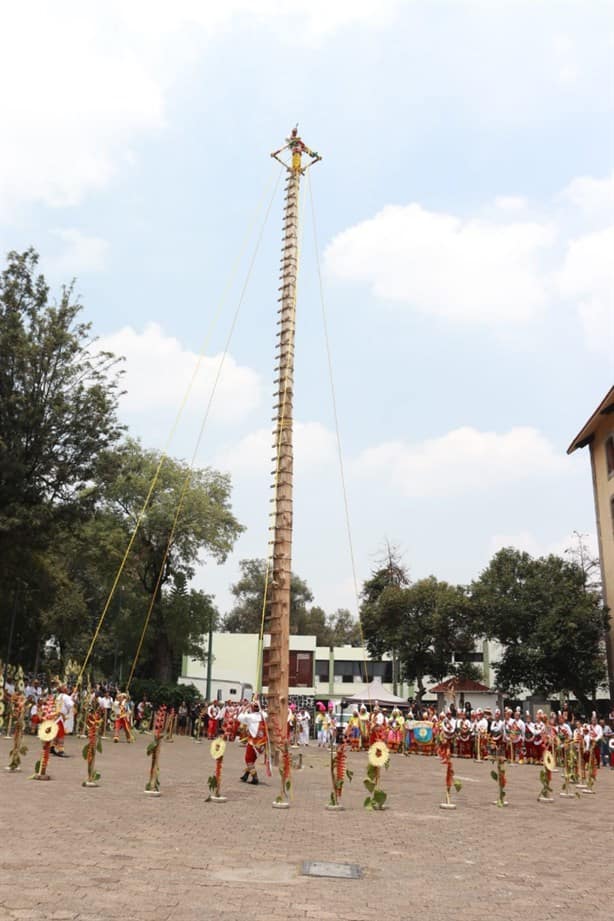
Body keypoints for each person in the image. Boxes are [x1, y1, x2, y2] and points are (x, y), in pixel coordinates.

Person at [237, 701, 268, 784]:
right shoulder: (264, 715)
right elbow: (263, 712)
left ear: (252, 708)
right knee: (252, 760)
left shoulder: (250, 717)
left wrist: (246, 707)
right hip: (262, 744)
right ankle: (246, 775)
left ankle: (255, 778)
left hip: (254, 742)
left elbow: (239, 717)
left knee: (248, 760)